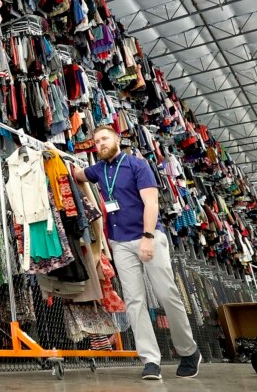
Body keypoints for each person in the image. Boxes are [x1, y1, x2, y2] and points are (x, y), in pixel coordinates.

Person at [71, 125, 201, 380]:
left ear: (118, 139)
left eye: (105, 138)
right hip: (119, 243)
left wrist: (148, 237)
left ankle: (189, 351)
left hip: (148, 237)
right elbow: (77, 174)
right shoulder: (98, 170)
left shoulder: (137, 165)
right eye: (96, 141)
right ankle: (150, 359)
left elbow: (151, 203)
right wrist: (50, 155)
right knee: (134, 301)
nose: (100, 144)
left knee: (167, 294)